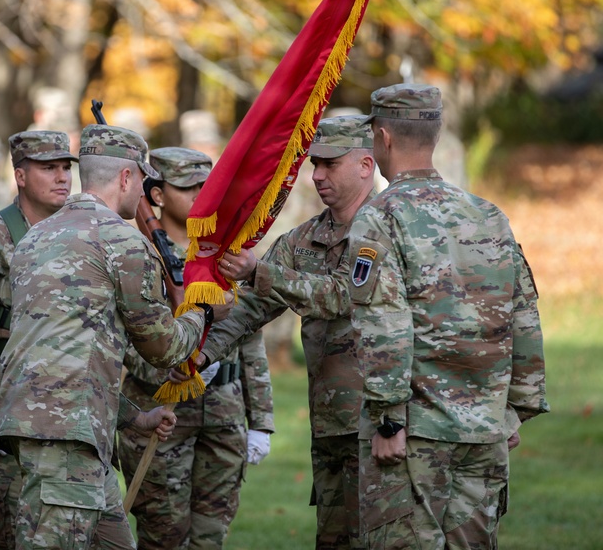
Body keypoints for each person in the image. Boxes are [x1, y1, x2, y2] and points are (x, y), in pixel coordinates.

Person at [0, 124, 230, 550]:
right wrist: (205, 309)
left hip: (54, 425)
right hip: (66, 435)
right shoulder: (122, 240)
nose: (142, 192)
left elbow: (64, 353)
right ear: (126, 178)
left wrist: (136, 418)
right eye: (142, 180)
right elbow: (164, 348)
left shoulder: (35, 237)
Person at [341, 83, 549, 548]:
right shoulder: (489, 214)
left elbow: (384, 322)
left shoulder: (379, 217)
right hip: (484, 429)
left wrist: (388, 419)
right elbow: (523, 313)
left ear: (383, 138)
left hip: (414, 435)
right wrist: (516, 407)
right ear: (435, 134)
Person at [207, 116, 378, 549]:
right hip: (331, 426)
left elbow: (343, 296)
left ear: (365, 164)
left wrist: (261, 272)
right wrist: (193, 354)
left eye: (330, 164)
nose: (317, 175)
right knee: (334, 539)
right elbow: (250, 310)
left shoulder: (386, 230)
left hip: (382, 423)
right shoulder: (304, 240)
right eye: (314, 164)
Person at [118, 147, 274, 550]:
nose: (203, 197)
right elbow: (121, 336)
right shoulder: (136, 251)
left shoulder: (225, 252)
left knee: (210, 537)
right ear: (157, 194)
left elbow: (249, 336)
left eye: (208, 188)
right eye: (189, 188)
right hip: (161, 409)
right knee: (164, 534)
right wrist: (169, 366)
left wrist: (261, 419)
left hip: (224, 410)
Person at [0, 130, 78, 550]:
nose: (62, 177)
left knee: (68, 523)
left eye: (66, 167)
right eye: (49, 168)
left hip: (67, 405)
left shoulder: (81, 234)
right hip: (5, 406)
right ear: (21, 176)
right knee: (4, 523)